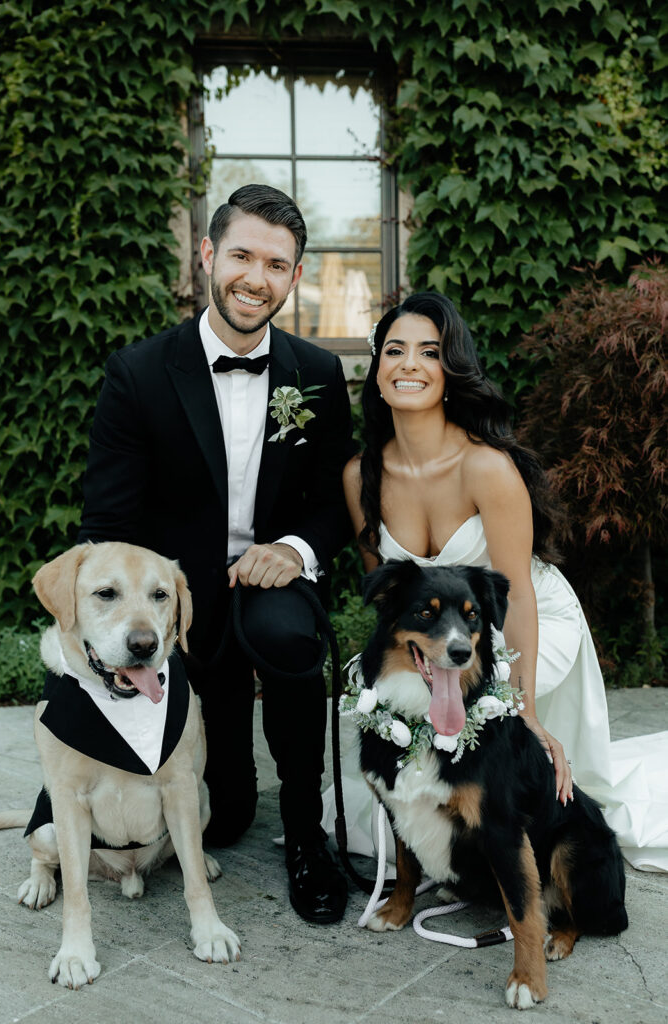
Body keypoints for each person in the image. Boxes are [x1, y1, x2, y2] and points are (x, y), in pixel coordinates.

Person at [79, 184, 356, 922]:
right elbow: (106, 520)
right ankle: (220, 792)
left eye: (275, 264)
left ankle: (305, 830)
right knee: (226, 811)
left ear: (294, 277)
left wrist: (295, 549)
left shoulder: (318, 375)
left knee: (287, 637)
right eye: (241, 255)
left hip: (275, 591)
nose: (254, 278)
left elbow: (336, 501)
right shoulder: (137, 374)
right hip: (177, 599)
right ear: (207, 254)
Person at [322, 291, 668, 873]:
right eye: (394, 351)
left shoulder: (487, 466)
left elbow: (522, 596)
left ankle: (499, 824)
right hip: (442, 628)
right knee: (384, 718)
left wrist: (526, 708)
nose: (409, 364)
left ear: (450, 370)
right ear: (377, 370)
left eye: (428, 352)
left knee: (497, 722)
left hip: (522, 623)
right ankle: (442, 833)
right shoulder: (361, 475)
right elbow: (390, 594)